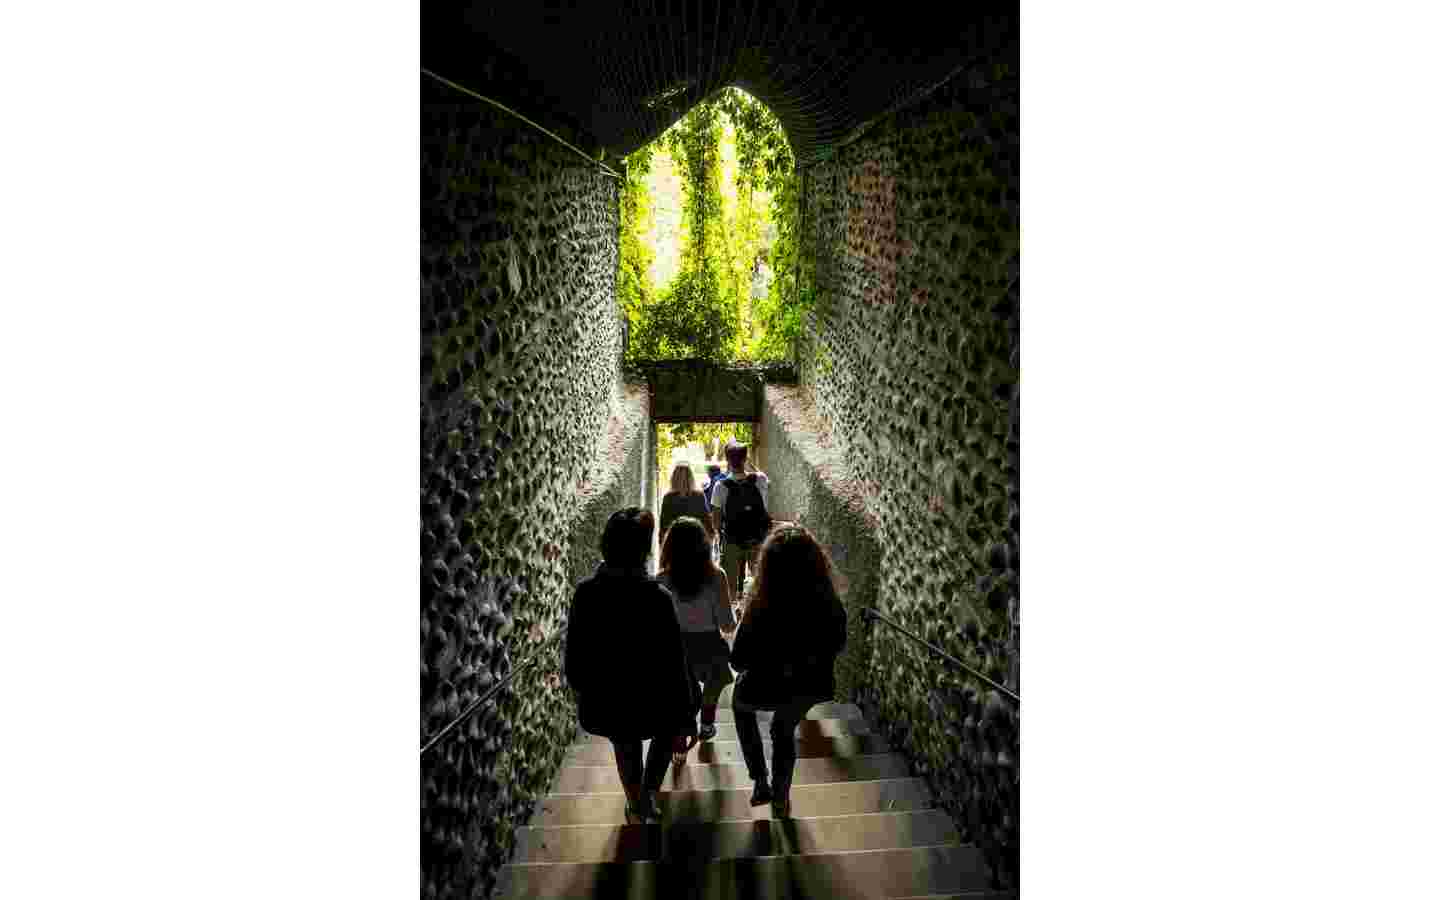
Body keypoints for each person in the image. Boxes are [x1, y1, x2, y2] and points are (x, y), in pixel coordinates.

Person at [564, 507, 698, 824]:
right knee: (664, 737)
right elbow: (674, 663)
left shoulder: (586, 593)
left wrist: (587, 690)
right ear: (642, 550)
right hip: (653, 699)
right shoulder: (658, 598)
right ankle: (647, 795)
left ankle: (636, 802)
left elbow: (576, 656)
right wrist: (685, 718)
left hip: (608, 701)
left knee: (625, 746)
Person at [729, 524, 848, 818]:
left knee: (739, 703)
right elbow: (838, 644)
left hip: (766, 685)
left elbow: (738, 661)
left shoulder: (760, 605)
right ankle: (781, 796)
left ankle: (760, 779)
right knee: (782, 730)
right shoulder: (830, 603)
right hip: (810, 686)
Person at [657, 516, 736, 748]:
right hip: (708, 645)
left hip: (676, 648)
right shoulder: (716, 577)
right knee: (717, 673)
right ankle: (707, 722)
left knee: (680, 686)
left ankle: (683, 726)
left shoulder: (661, 580)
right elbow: (727, 625)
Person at [709, 442, 771, 604]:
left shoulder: (720, 486)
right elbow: (762, 478)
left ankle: (732, 610)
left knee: (729, 584)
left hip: (732, 540)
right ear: (745, 459)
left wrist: (719, 535)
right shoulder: (760, 480)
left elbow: (716, 521)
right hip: (757, 538)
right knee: (761, 582)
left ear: (727, 460)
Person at [659, 463, 712, 548]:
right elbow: (663, 525)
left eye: (685, 478)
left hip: (692, 542)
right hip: (679, 542)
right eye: (680, 478)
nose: (682, 481)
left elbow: (706, 520)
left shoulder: (698, 496)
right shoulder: (669, 498)